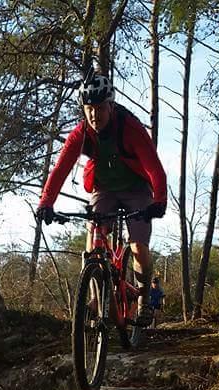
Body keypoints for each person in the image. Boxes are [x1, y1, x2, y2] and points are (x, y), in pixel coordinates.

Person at [36, 73, 167, 325]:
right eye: (89, 109)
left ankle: (143, 302)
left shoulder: (130, 127)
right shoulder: (81, 133)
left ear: (110, 105)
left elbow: (154, 167)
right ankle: (97, 298)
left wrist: (158, 200)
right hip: (103, 188)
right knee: (93, 242)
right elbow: (61, 168)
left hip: (136, 188)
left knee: (138, 246)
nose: (94, 115)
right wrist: (46, 202)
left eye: (99, 108)